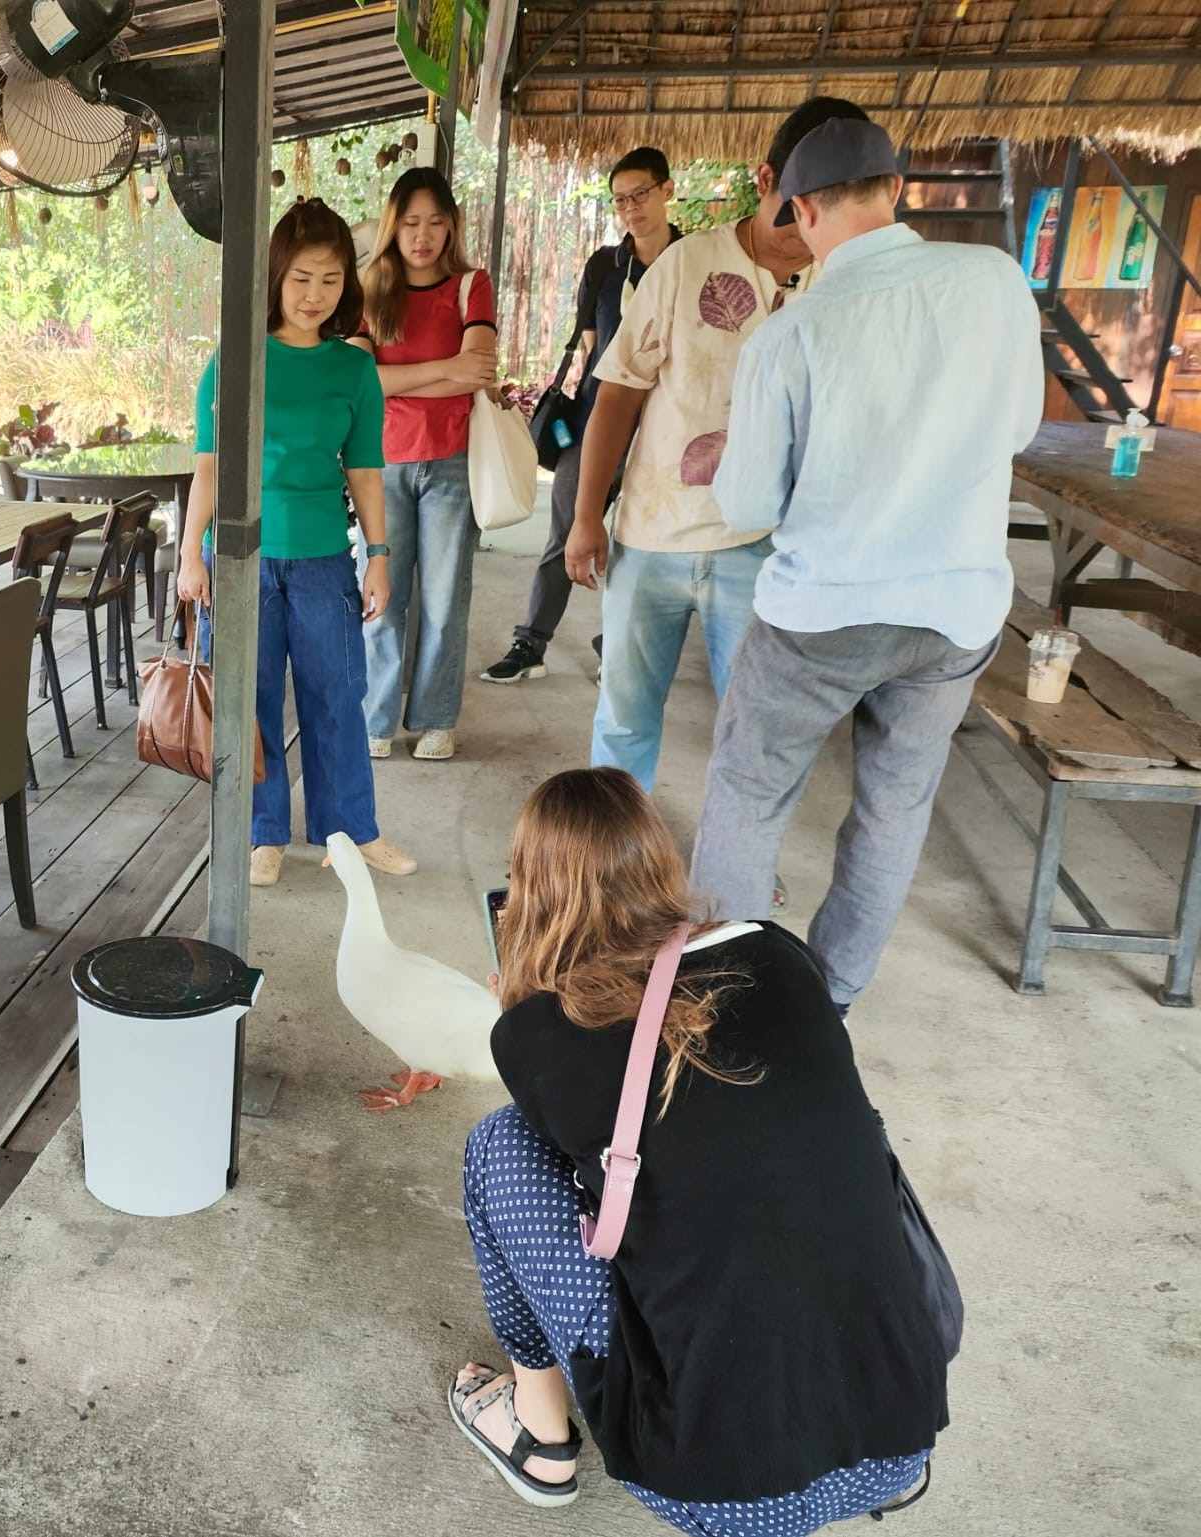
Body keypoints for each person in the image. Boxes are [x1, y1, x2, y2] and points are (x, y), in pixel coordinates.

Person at [450, 767, 947, 1532]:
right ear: (658, 862)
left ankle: (539, 1434)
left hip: (720, 1492)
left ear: (531, 893)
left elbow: (578, 1152)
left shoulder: (534, 1033)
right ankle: (853, 1449)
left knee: (502, 1147)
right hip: (899, 1446)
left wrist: (520, 1006)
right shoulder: (781, 956)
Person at [689, 115, 1044, 1015]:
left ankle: (724, 1006)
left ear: (799, 210)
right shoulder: (996, 283)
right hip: (953, 613)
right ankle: (832, 999)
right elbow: (1018, 430)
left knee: (748, 793)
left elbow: (748, 507)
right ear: (894, 188)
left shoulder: (793, 333)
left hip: (821, 615)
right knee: (893, 808)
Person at [568, 100, 868, 792]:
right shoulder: (687, 264)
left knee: (757, 725)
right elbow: (617, 391)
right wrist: (588, 517)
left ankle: (739, 866)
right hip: (652, 533)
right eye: (802, 208)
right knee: (624, 715)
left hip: (764, 547)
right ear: (766, 180)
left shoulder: (842, 286)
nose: (813, 232)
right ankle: (613, 863)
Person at [177, 198, 417, 888]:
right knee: (247, 700)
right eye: (302, 278)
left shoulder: (352, 369)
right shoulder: (236, 358)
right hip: (241, 559)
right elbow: (210, 465)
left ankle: (352, 830)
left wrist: (378, 556)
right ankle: (263, 833)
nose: (315, 295)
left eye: (332, 279)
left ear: (349, 285)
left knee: (337, 693)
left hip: (322, 561)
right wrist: (188, 553)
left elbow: (364, 469)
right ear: (277, 276)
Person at [482, 147, 680, 685]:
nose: (632, 208)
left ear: (666, 190)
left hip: (668, 427)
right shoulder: (604, 266)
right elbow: (593, 348)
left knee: (645, 542)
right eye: (621, 200)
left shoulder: (692, 260)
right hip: (598, 419)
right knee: (568, 527)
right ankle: (531, 642)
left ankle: (617, 642)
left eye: (641, 194)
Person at [349, 167, 497, 761]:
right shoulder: (367, 288)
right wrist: (445, 372)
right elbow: (362, 383)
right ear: (393, 225)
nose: (422, 235)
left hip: (451, 464)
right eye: (410, 222)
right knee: (381, 598)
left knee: (444, 598)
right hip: (380, 465)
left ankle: (437, 717)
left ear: (452, 226)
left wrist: (399, 382)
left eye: (436, 222)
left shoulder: (470, 286)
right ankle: (377, 719)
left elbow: (479, 369)